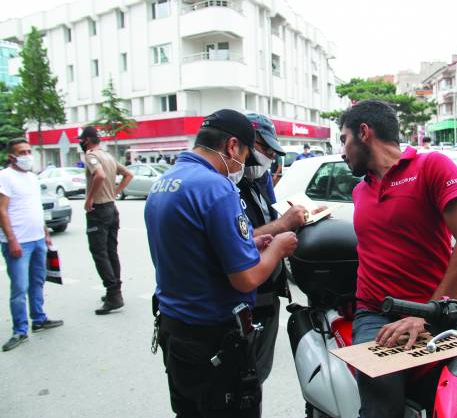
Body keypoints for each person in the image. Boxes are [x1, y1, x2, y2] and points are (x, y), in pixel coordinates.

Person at [144, 109, 298, 418]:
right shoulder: (217, 187)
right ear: (231, 147)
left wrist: (248, 244)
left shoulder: (165, 182)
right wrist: (278, 248)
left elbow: (194, 249)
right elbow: (245, 278)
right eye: (245, 153)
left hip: (175, 331)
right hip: (212, 337)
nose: (244, 163)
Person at [338, 100, 457, 418]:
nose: (342, 151)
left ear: (364, 132)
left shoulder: (431, 166)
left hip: (432, 310)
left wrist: (432, 314)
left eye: (344, 139)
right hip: (376, 314)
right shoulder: (359, 192)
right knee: (383, 396)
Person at [239, 113, 313, 388]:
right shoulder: (222, 186)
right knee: (245, 380)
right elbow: (235, 240)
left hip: (269, 288)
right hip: (246, 293)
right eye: (263, 148)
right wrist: (282, 225)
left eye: (272, 151)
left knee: (257, 374)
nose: (268, 156)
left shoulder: (259, 179)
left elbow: (271, 219)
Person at [0, 138, 63, 352]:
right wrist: (12, 240)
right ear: (12, 156)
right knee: (19, 287)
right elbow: (2, 210)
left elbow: (35, 208)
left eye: (29, 151)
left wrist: (45, 233)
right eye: (22, 152)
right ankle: (19, 330)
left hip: (37, 239)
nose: (27, 155)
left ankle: (38, 319)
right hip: (19, 242)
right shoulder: (5, 177)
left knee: (37, 282)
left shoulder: (32, 177)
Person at [77, 126, 134, 315]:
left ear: (86, 140)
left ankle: (113, 294)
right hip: (111, 208)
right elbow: (128, 174)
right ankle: (115, 289)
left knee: (99, 253)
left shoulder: (91, 156)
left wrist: (89, 199)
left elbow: (99, 175)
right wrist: (115, 193)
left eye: (82, 140)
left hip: (99, 210)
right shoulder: (108, 156)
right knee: (111, 251)